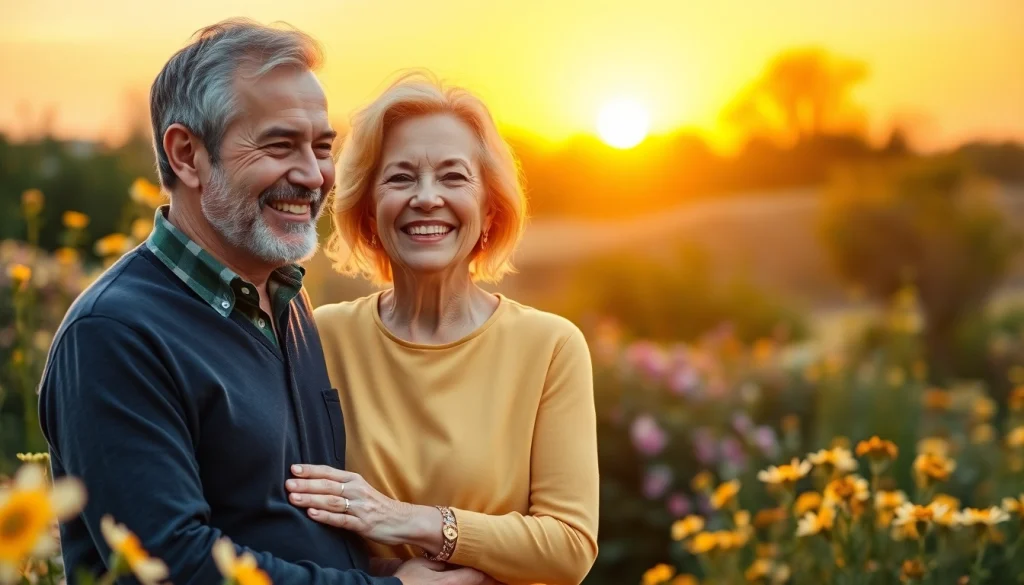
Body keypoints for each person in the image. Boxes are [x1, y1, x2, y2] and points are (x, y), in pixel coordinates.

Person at [39, 20, 490, 585]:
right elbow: (175, 565)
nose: (313, 175)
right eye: (280, 145)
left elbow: (282, 527)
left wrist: (396, 566)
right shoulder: (115, 333)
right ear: (187, 155)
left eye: (322, 147)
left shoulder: (286, 303)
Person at [293, 73, 599, 585]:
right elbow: (287, 524)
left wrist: (412, 520)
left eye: (453, 177)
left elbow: (569, 546)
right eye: (400, 178)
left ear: (490, 210)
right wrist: (398, 577)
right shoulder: (318, 338)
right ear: (368, 212)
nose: (426, 197)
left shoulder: (551, 347)